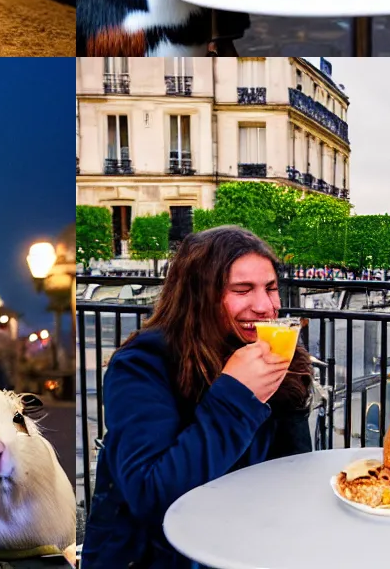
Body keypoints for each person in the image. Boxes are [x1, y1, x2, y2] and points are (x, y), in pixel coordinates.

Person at [81, 227, 313, 569]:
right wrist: (237, 395)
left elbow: (291, 469)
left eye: (271, 288)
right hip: (153, 555)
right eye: (242, 290)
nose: (265, 306)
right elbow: (152, 495)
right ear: (198, 296)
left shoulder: (270, 354)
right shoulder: (142, 365)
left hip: (241, 545)